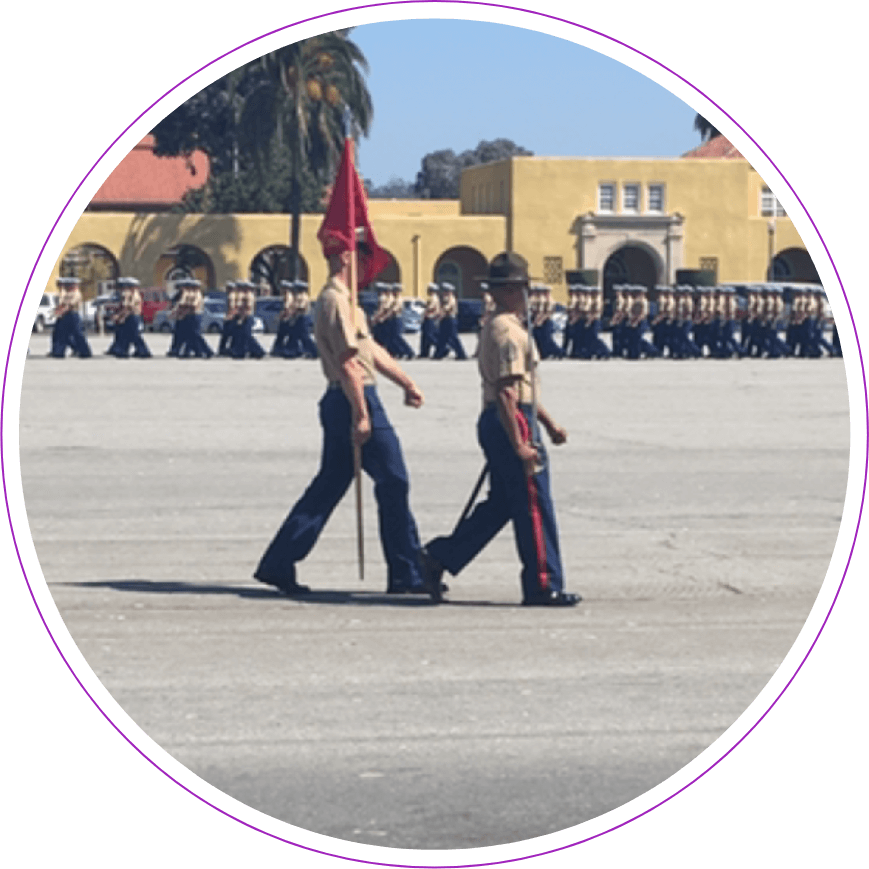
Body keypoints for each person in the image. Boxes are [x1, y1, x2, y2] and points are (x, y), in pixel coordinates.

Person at [254, 231, 440, 599]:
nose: (369, 264)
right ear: (343, 258)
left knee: (329, 485)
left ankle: (278, 561)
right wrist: (361, 414)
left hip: (349, 398)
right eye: (362, 255)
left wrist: (406, 382)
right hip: (354, 399)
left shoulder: (350, 302)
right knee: (394, 480)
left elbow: (371, 350)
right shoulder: (335, 302)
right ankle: (406, 572)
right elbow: (348, 363)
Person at [421, 252, 580, 607]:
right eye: (524, 289)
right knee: (534, 503)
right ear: (510, 291)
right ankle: (543, 583)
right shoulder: (507, 331)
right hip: (510, 420)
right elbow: (508, 394)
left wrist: (549, 424)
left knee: (503, 505)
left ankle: (439, 557)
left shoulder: (504, 325)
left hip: (510, 417)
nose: (529, 295)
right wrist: (522, 442)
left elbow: (522, 389)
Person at [109, 277, 152, 358]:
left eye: (126, 286)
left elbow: (128, 307)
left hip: (132, 316)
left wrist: (119, 316)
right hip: (133, 316)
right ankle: (138, 351)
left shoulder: (131, 295)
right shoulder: (135, 294)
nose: (124, 288)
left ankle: (140, 351)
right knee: (131, 335)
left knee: (132, 335)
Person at [50, 276, 92, 358]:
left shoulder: (76, 293)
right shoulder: (65, 293)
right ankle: (58, 352)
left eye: (69, 284)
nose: (67, 286)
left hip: (73, 315)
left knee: (78, 334)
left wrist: (61, 310)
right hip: (65, 315)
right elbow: (61, 303)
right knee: (61, 334)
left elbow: (70, 305)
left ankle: (85, 352)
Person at [231, 281, 264, 359]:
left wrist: (241, 318)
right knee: (244, 335)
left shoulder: (248, 296)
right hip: (246, 316)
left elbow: (246, 309)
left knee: (246, 335)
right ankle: (243, 351)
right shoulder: (246, 295)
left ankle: (258, 351)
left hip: (247, 317)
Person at [434, 282, 466, 359]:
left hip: (450, 320)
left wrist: (440, 312)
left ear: (449, 291)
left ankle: (461, 354)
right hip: (445, 319)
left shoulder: (452, 298)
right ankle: (438, 354)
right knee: (442, 337)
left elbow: (447, 308)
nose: (443, 292)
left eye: (445, 291)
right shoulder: (446, 298)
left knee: (453, 337)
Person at [291, 280, 319, 359]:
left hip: (303, 317)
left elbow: (301, 307)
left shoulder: (302, 296)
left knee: (305, 336)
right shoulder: (300, 296)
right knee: (296, 335)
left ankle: (315, 351)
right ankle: (299, 351)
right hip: (300, 317)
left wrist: (294, 310)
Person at [270, 280, 296, 357]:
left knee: (282, 335)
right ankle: (281, 349)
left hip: (286, 319)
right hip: (287, 318)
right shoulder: (288, 295)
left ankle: (279, 350)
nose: (280, 289)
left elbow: (286, 307)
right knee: (285, 335)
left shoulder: (288, 296)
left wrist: (283, 316)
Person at [390, 284, 415, 360]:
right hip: (394, 318)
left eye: (394, 291)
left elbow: (394, 310)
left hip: (397, 318)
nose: (393, 292)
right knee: (394, 337)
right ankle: (400, 352)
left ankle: (409, 352)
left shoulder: (398, 300)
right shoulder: (395, 299)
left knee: (398, 337)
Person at [419, 283, 441, 359]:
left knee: (430, 336)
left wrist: (424, 305)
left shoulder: (434, 298)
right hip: (427, 318)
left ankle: (441, 347)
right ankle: (424, 353)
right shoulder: (431, 298)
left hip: (431, 319)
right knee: (424, 337)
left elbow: (430, 307)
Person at [219, 281, 239, 357]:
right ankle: (230, 348)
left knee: (225, 334)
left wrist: (229, 316)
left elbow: (231, 307)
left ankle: (223, 349)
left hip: (230, 317)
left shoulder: (231, 296)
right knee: (233, 334)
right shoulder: (235, 295)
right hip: (233, 316)